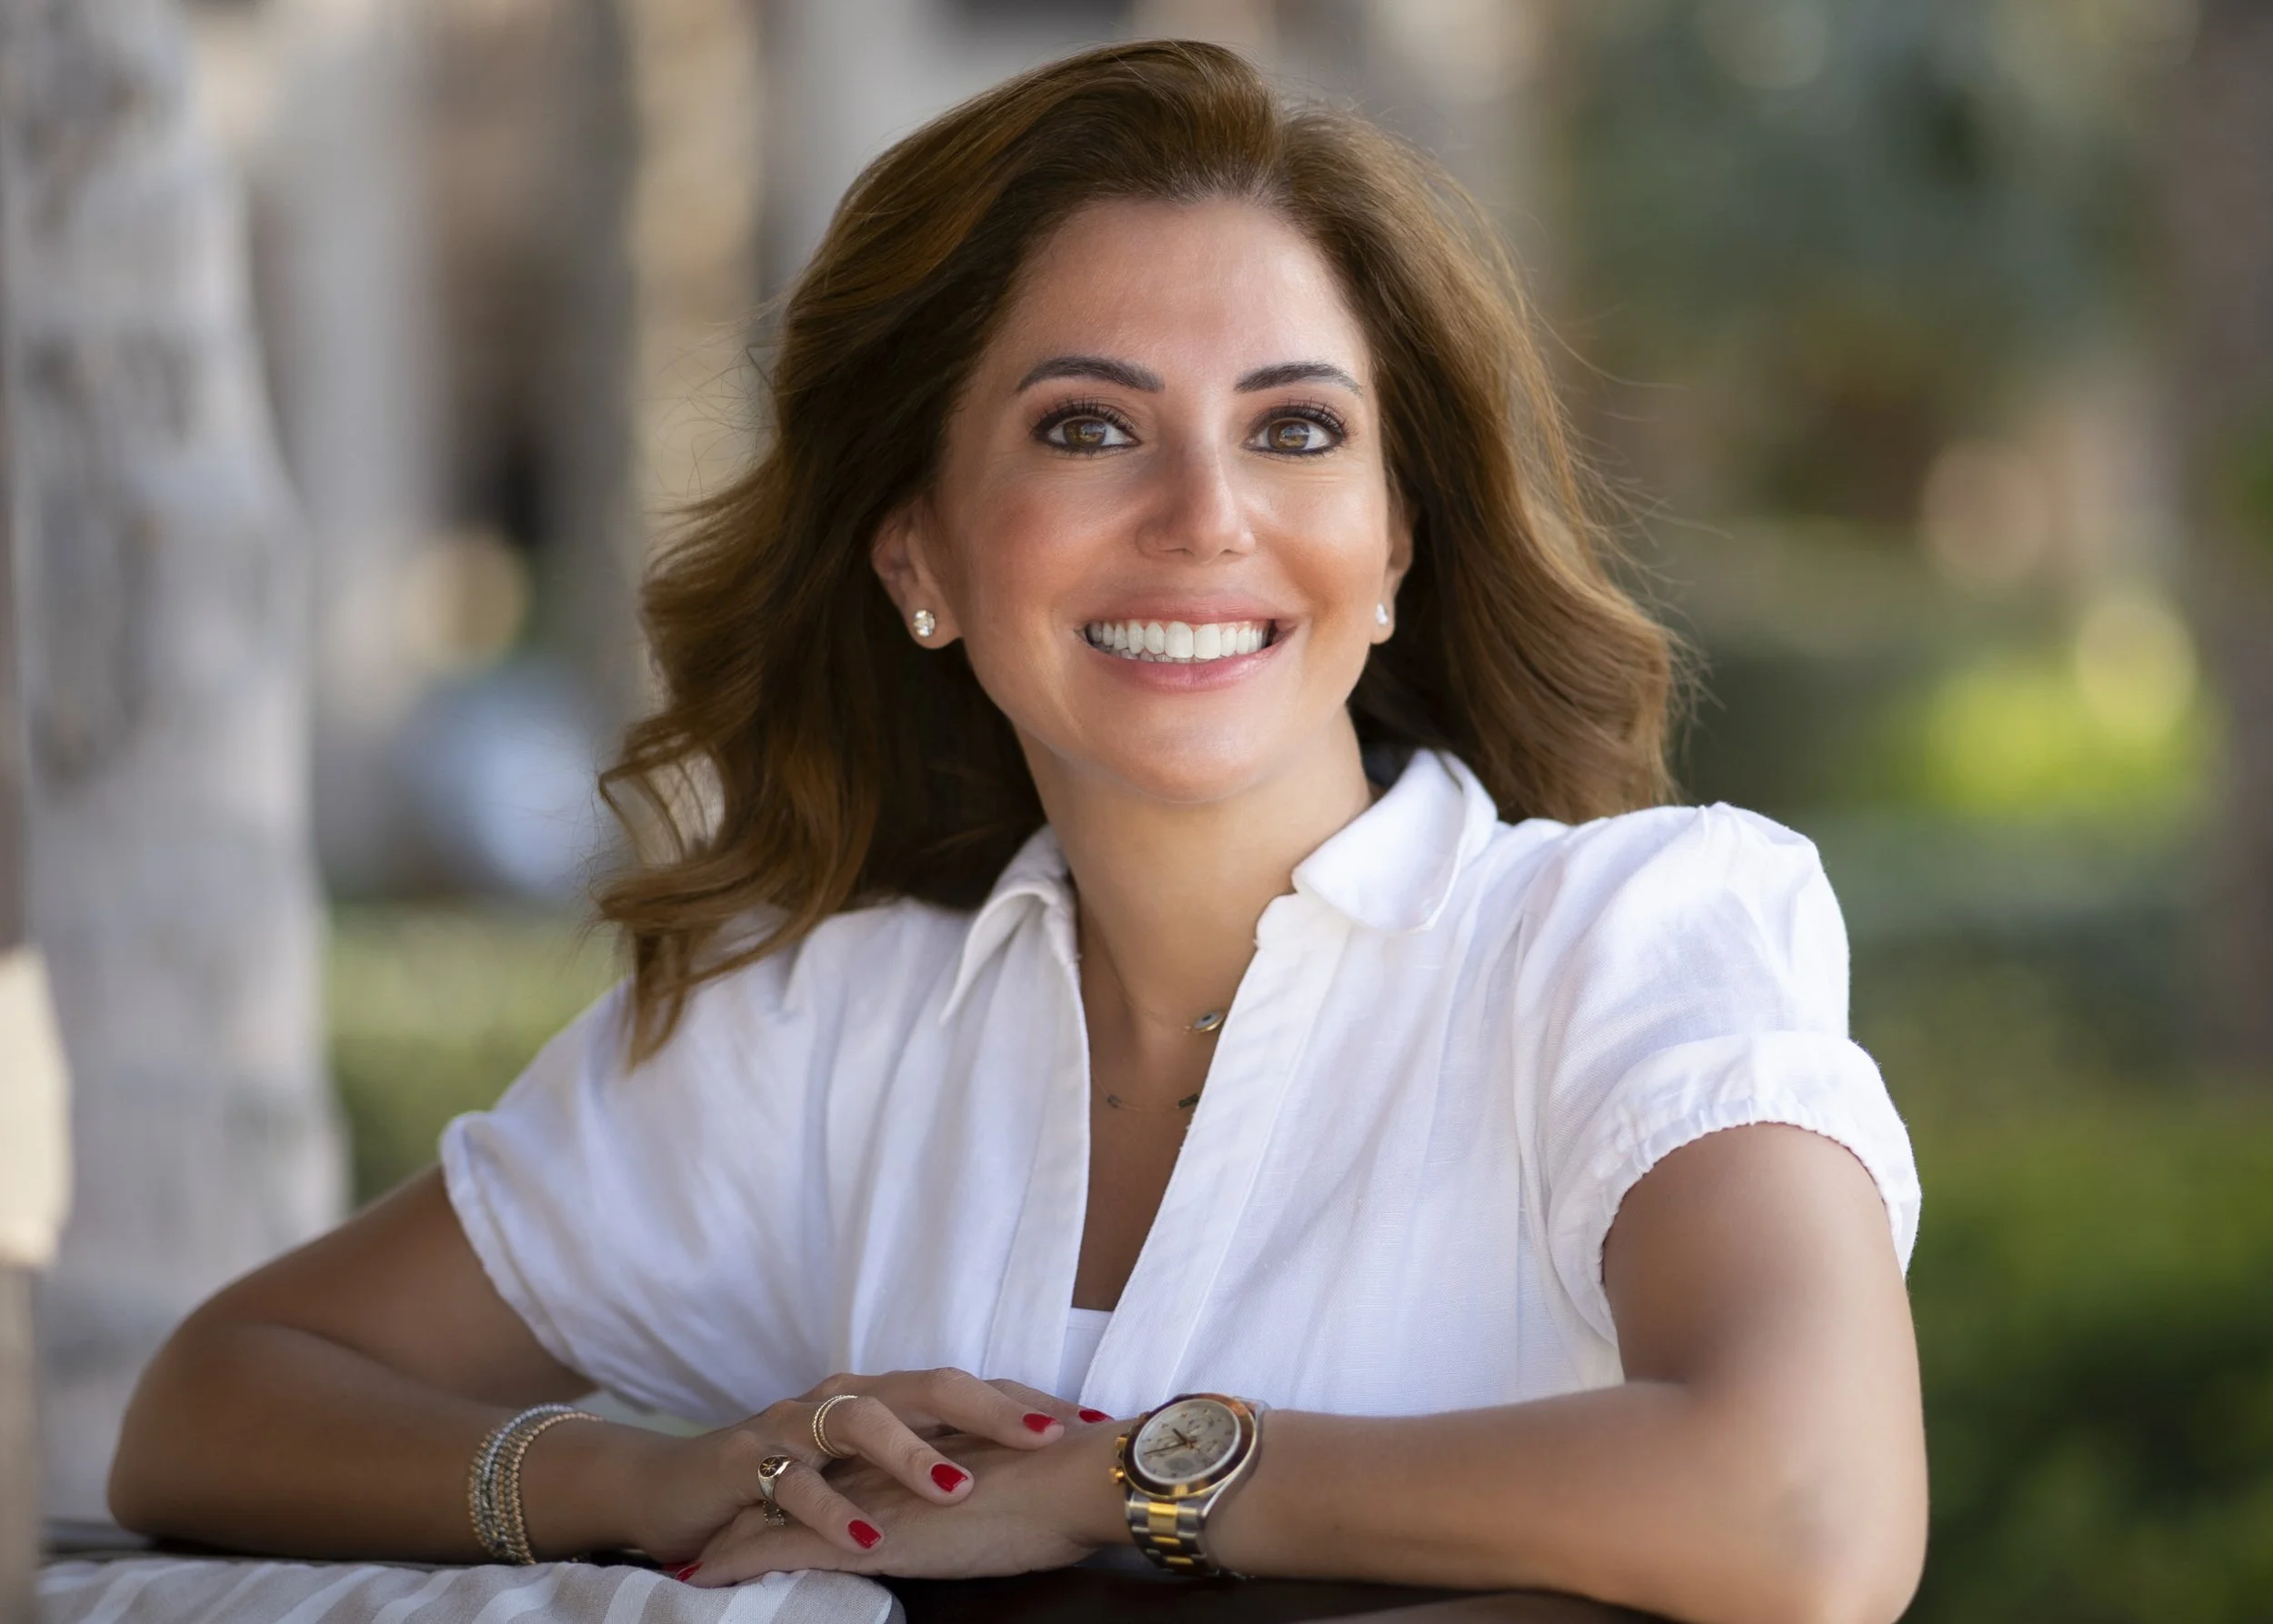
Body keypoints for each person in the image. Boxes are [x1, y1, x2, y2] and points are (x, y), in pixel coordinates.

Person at [110, 40, 1926, 1624]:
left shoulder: (1632, 931)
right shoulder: (815, 1030)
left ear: (1393, 548)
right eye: (1085, 427)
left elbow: (1810, 1511)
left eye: (1294, 429)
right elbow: (211, 1402)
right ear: (917, 554)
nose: (1206, 515)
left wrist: (1132, 1477)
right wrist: (646, 1476)